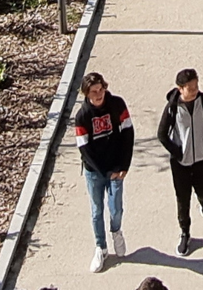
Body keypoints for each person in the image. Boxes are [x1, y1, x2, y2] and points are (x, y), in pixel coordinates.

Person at [74, 71, 134, 274]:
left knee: (116, 207)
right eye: (94, 91)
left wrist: (124, 165)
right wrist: (103, 171)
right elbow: (84, 149)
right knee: (96, 210)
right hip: (95, 171)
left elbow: (128, 133)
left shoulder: (117, 104)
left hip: (116, 168)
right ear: (87, 93)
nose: (99, 94)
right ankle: (101, 247)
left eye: (101, 89)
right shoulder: (82, 116)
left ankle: (116, 231)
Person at [157, 68, 203, 258]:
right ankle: (185, 232)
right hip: (180, 164)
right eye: (190, 88)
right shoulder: (172, 107)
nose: (194, 91)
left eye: (196, 86)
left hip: (201, 158)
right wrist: (177, 152)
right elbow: (162, 134)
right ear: (180, 88)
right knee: (183, 199)